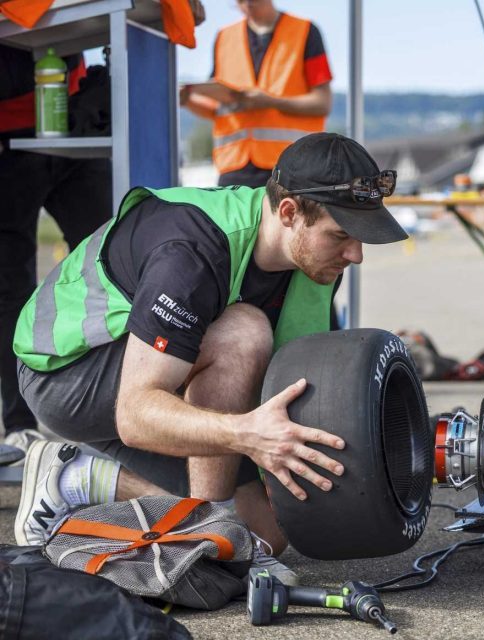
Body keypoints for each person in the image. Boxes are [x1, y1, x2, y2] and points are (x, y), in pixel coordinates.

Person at [13, 133, 405, 583]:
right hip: (66, 374)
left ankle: (79, 479)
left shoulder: (316, 261)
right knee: (243, 332)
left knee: (270, 531)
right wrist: (244, 434)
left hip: (155, 374)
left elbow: (303, 387)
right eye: (341, 236)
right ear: (290, 212)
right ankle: (206, 532)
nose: (355, 254)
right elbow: (136, 413)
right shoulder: (191, 252)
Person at [0, 44, 112, 460]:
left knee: (112, 267)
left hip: (75, 119)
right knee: (11, 283)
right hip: (10, 138)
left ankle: (115, 411)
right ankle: (19, 425)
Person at [180, 0, 332, 188]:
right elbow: (217, 110)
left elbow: (322, 103)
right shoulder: (224, 37)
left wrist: (271, 102)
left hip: (291, 167)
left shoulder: (305, 31)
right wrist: (188, 100)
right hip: (233, 168)